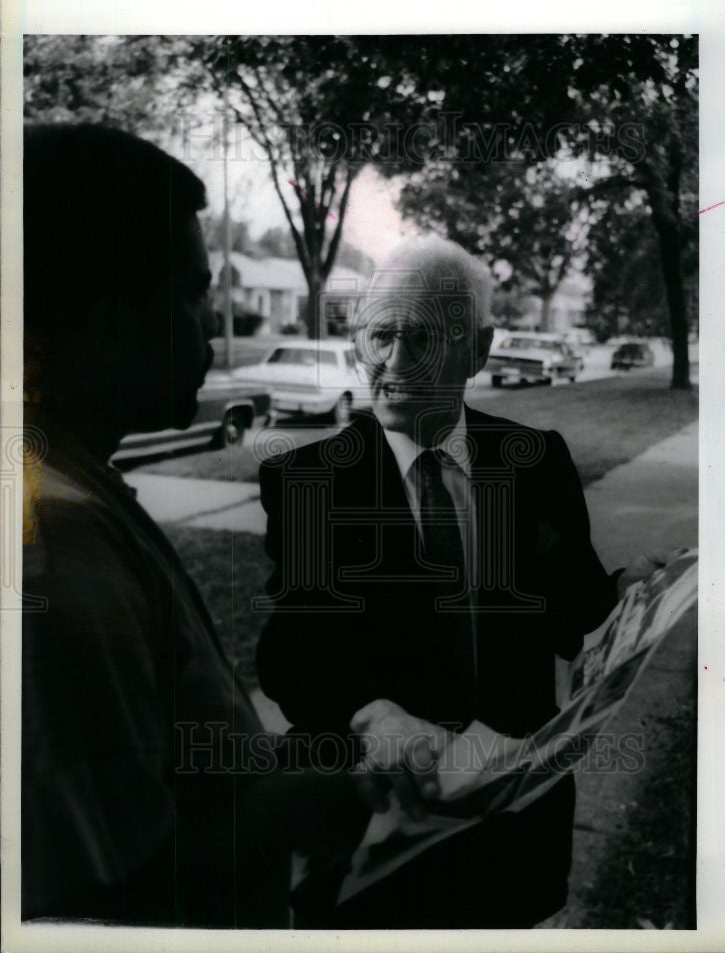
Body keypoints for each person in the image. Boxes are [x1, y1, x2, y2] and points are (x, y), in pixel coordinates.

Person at [256, 236, 666, 928]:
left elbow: (573, 613)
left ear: (477, 349)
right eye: (377, 336)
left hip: (512, 820)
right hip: (378, 824)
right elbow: (292, 653)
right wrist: (372, 714)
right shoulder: (309, 481)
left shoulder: (533, 462)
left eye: (419, 339)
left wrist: (630, 595)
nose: (390, 363)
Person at [21, 124, 369, 928]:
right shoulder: (53, 546)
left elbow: (153, 770)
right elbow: (102, 906)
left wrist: (309, 760)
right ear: (111, 319)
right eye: (189, 295)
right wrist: (314, 799)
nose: (211, 326)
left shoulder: (73, 483)